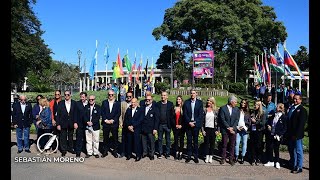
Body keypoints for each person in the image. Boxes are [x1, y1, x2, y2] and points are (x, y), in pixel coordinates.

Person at [287, 94, 308, 174]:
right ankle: (294, 165)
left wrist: (297, 135)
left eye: (296, 99)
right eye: (294, 99)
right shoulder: (292, 108)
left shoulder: (302, 110)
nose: (295, 100)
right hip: (290, 134)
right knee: (292, 150)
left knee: (298, 150)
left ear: (300, 100)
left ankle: (299, 167)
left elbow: (301, 125)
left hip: (297, 135)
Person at [218, 95, 240, 166]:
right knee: (224, 144)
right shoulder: (223, 108)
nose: (236, 103)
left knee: (232, 145)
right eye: (235, 102)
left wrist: (233, 128)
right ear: (231, 102)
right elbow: (222, 119)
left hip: (233, 130)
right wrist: (228, 127)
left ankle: (231, 158)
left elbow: (237, 119)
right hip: (225, 129)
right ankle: (223, 158)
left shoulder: (236, 109)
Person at [183, 89, 204, 163]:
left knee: (195, 141)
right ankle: (188, 156)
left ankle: (195, 156)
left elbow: (200, 115)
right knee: (189, 141)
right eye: (191, 93)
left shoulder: (200, 103)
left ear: (196, 94)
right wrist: (189, 122)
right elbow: (185, 114)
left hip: (196, 125)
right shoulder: (186, 102)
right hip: (188, 125)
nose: (192, 94)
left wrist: (195, 122)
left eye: (194, 93)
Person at [264, 103, 287, 169]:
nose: (276, 108)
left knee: (276, 149)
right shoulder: (274, 115)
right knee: (270, 147)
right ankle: (271, 161)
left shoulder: (284, 117)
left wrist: (280, 135)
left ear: (280, 108)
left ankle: (277, 162)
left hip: (278, 136)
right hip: (272, 134)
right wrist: (269, 125)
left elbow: (285, 128)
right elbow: (269, 122)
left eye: (277, 107)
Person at [56, 90, 78, 156]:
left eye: (68, 94)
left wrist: (75, 122)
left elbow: (75, 114)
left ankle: (70, 148)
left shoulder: (74, 103)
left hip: (71, 122)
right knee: (63, 137)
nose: (66, 96)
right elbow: (58, 115)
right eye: (65, 95)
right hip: (63, 123)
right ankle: (63, 150)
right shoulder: (60, 103)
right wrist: (58, 124)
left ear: (70, 95)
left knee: (71, 136)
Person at [101, 89, 121, 158]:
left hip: (114, 124)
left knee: (115, 138)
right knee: (105, 138)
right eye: (109, 95)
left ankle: (115, 151)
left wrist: (113, 120)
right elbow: (102, 112)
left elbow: (118, 113)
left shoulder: (118, 103)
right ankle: (105, 151)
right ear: (108, 95)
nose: (110, 96)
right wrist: (105, 120)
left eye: (112, 95)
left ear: (114, 95)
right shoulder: (104, 102)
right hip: (106, 123)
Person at [156, 91, 175, 159]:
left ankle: (167, 153)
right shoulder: (158, 104)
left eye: (164, 95)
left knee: (168, 140)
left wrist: (172, 125)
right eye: (162, 95)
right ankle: (160, 153)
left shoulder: (170, 104)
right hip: (160, 125)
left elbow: (172, 115)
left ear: (167, 96)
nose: (163, 97)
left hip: (167, 125)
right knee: (160, 139)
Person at [141, 94, 159, 160]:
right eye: (146, 99)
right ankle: (145, 152)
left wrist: (155, 128)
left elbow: (157, 120)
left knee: (151, 142)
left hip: (151, 129)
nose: (147, 101)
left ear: (152, 100)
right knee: (144, 141)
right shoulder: (142, 107)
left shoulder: (155, 109)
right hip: (143, 128)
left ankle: (151, 154)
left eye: (149, 99)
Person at [249, 100, 267, 165]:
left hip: (259, 131)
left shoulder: (263, 113)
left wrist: (255, 122)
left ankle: (258, 158)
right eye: (254, 104)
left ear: (259, 106)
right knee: (253, 144)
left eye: (256, 105)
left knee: (258, 145)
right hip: (253, 130)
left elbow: (263, 123)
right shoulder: (253, 112)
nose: (254, 106)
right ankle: (253, 158)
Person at [201, 97, 219, 163]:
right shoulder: (204, 110)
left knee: (212, 143)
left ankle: (211, 156)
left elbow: (218, 121)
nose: (209, 102)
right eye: (208, 101)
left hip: (213, 129)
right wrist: (202, 130)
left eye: (210, 101)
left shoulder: (216, 110)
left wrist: (218, 130)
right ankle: (207, 156)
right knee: (206, 143)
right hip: (206, 129)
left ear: (213, 102)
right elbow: (202, 121)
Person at [234, 99, 251, 164]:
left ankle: (243, 156)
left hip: (244, 130)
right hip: (238, 129)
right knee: (237, 143)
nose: (242, 104)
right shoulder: (237, 110)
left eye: (244, 103)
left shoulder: (248, 112)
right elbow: (235, 119)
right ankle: (236, 156)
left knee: (244, 143)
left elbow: (249, 122)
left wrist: (245, 127)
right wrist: (237, 127)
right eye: (242, 103)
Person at [119, 91, 133, 158]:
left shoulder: (135, 103)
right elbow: (120, 114)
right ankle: (123, 152)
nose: (128, 98)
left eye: (130, 96)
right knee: (124, 139)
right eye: (127, 96)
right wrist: (121, 122)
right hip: (124, 124)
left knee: (130, 139)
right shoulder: (123, 103)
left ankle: (129, 153)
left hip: (132, 125)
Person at [74, 92, 88, 157]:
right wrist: (75, 122)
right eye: (81, 97)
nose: (82, 98)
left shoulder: (89, 103)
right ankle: (78, 152)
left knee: (87, 139)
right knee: (79, 139)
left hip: (87, 124)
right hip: (79, 124)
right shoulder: (77, 104)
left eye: (83, 97)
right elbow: (75, 114)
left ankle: (87, 151)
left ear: (86, 97)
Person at [173, 95, 185, 160]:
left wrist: (181, 125)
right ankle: (176, 152)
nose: (178, 100)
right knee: (176, 140)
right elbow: (172, 118)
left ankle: (181, 153)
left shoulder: (183, 108)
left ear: (181, 100)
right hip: (176, 127)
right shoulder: (175, 108)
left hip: (181, 127)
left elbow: (185, 118)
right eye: (177, 99)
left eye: (179, 99)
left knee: (181, 140)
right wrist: (175, 125)